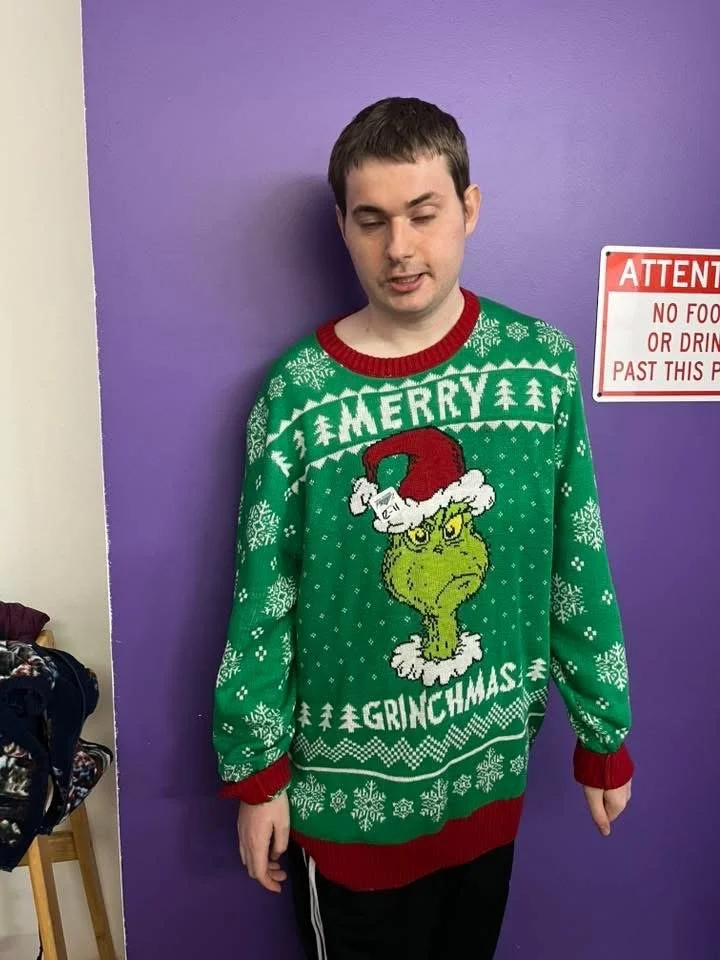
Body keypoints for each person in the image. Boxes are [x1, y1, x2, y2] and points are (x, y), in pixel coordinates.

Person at [212, 97, 633, 960]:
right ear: (343, 227)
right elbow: (264, 591)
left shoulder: (540, 365)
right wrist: (257, 776)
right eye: (372, 221)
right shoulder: (299, 396)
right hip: (346, 804)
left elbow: (576, 558)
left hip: (488, 781)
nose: (399, 247)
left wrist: (605, 733)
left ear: (467, 209)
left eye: (422, 213)